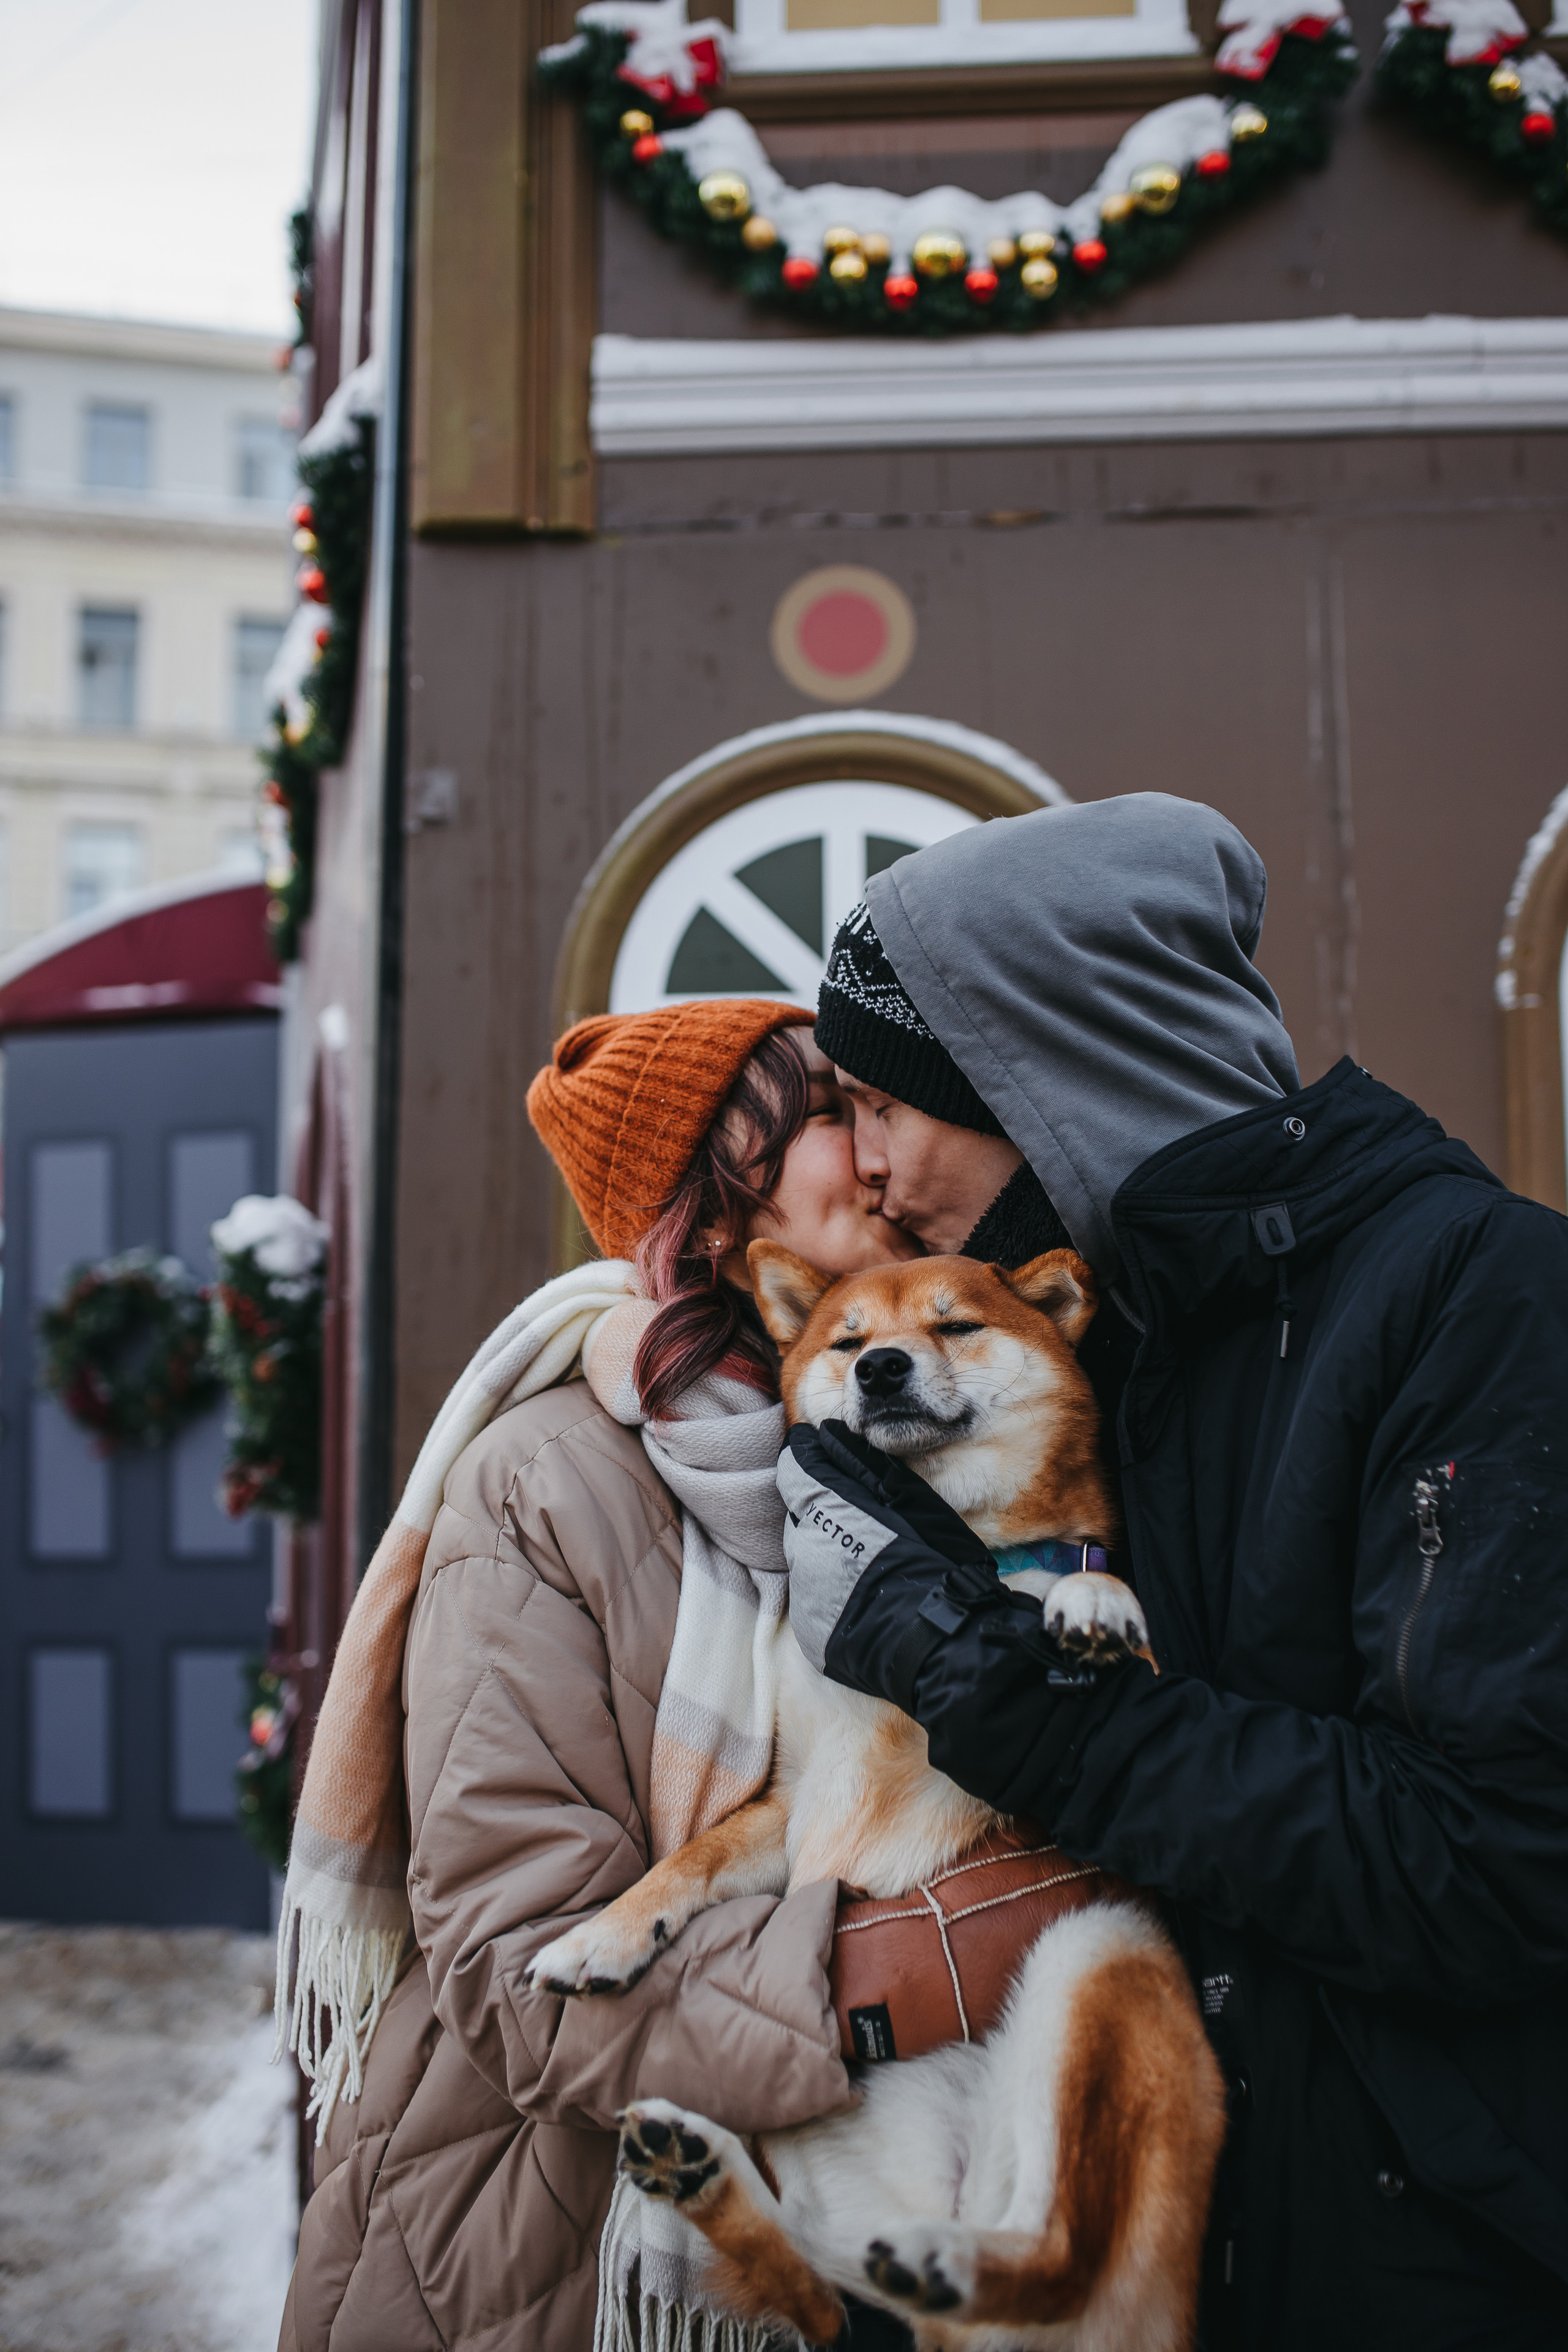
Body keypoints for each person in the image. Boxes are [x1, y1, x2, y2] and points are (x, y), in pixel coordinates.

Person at [779, 793, 1568, 2350]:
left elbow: (1484, 1864)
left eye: (884, 1105)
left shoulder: (1478, 1298)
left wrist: (976, 1671)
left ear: (1035, 1067)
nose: (863, 1173)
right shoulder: (1116, 1346)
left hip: (1416, 2278)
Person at [279, 998, 966, 2352]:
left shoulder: (911, 1429)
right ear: (713, 1216)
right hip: (545, 2243)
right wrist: (898, 1981)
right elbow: (515, 1962)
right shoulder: (537, 1485)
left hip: (860, 2221)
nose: (878, 1149)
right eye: (831, 1115)